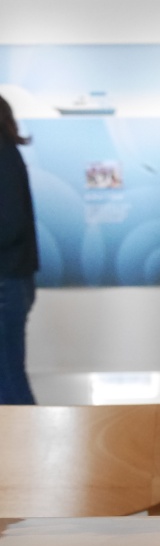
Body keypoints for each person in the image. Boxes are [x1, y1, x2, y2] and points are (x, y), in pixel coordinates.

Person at [0, 94, 39, 405]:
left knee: (7, 377)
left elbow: (9, 224)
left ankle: (27, 450)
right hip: (11, 278)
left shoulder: (2, 155)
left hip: (6, 280)